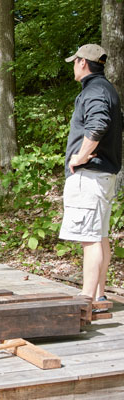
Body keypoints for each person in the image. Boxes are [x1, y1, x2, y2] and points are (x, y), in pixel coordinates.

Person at [59, 44, 122, 306]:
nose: (73, 65)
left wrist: (81, 156)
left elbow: (98, 124)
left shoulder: (94, 91)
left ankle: (86, 299)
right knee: (99, 235)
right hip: (104, 174)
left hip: (91, 175)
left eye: (74, 61)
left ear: (83, 62)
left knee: (89, 238)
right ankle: (98, 294)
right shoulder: (107, 89)